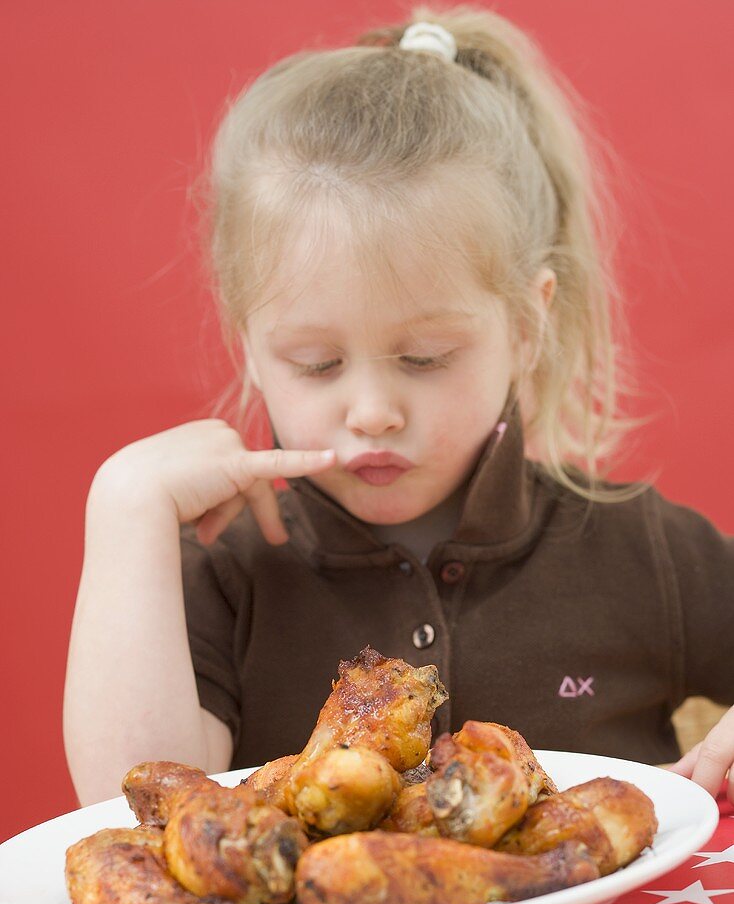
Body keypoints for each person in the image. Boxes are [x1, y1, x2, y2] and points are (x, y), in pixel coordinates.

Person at [62, 4, 734, 807]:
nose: (372, 410)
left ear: (528, 325)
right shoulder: (228, 573)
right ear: (250, 344)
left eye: (425, 358)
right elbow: (140, 809)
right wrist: (124, 512)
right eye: (316, 364)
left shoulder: (638, 547)